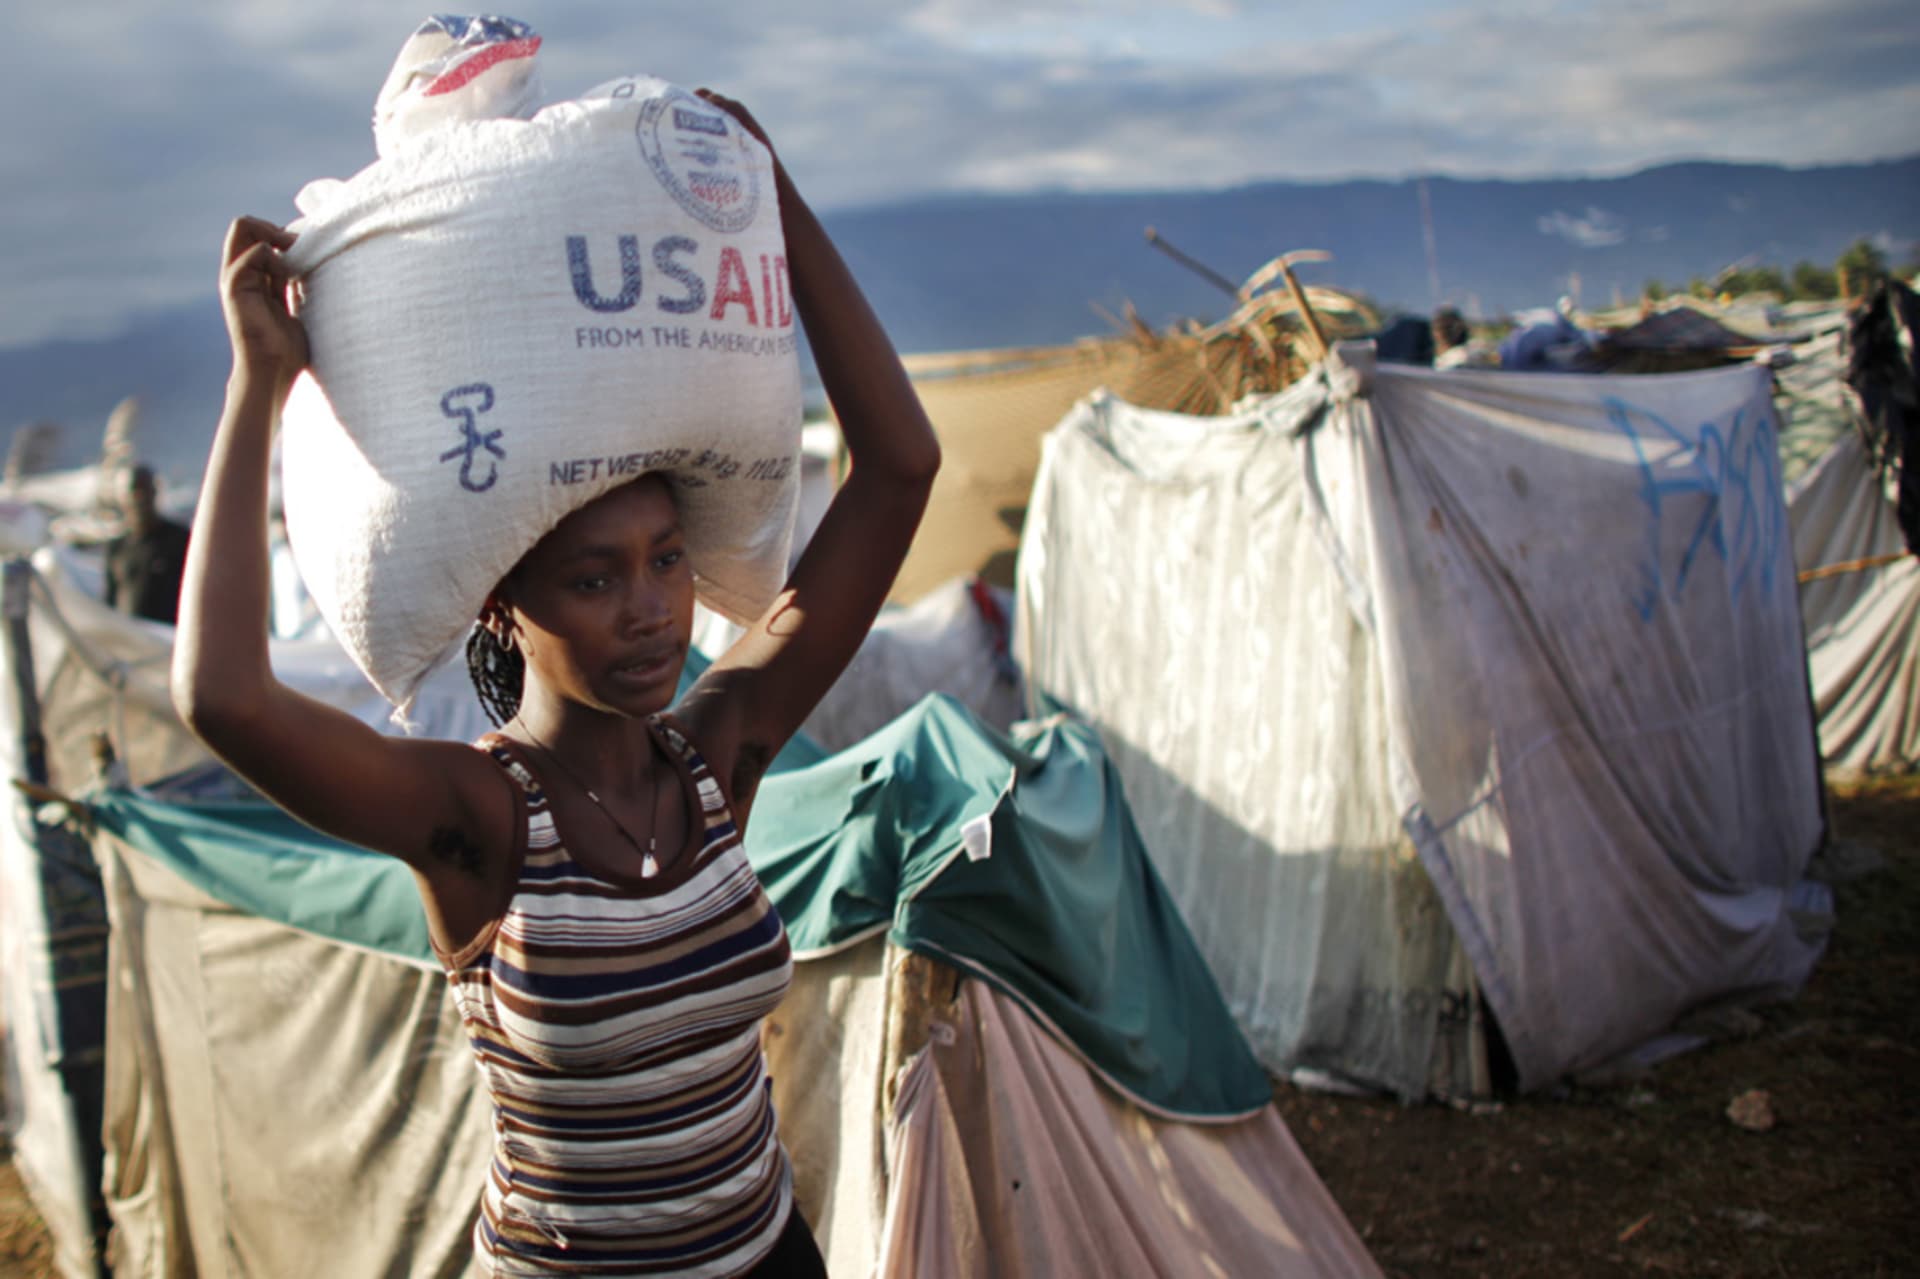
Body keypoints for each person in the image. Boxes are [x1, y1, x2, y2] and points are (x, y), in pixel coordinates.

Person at [174, 91, 939, 1277]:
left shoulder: (721, 751)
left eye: (667, 561)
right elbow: (223, 697)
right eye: (592, 578)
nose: (650, 609)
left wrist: (766, 195)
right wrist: (256, 383)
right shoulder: (476, 822)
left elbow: (899, 468)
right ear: (503, 605)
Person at [103, 463, 191, 623]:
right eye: (133, 491)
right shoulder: (117, 548)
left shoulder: (180, 541)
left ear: (155, 493)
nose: (139, 498)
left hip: (168, 638)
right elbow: (110, 602)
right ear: (122, 498)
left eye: (144, 490)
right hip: (131, 640)